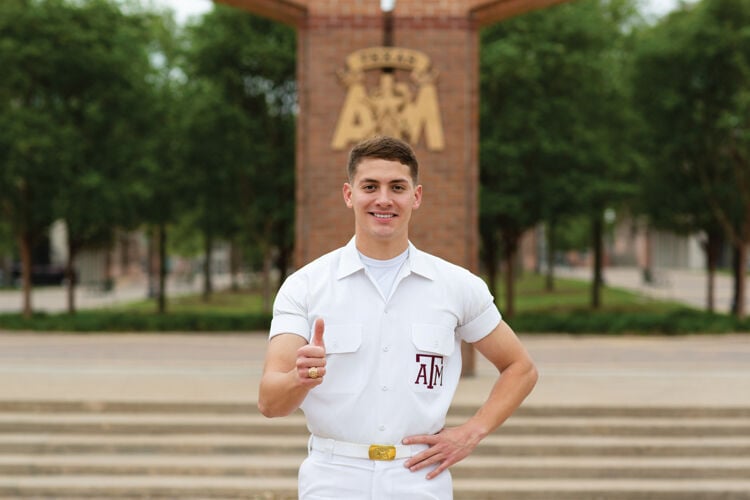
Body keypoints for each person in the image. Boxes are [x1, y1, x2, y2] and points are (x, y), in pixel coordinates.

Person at [258, 135, 538, 499]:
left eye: (398, 187)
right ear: (348, 194)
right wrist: (300, 378)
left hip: (419, 476)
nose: (384, 199)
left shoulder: (456, 285)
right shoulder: (306, 287)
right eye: (370, 186)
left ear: (416, 196)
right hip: (333, 476)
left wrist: (472, 432)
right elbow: (269, 402)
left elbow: (521, 368)